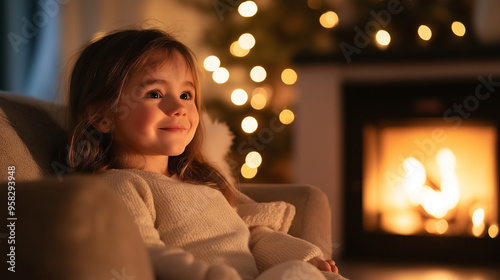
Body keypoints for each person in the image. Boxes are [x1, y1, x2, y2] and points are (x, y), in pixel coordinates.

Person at [65, 28, 346, 280]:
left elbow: (252, 236)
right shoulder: (121, 185)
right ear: (102, 117)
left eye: (187, 95)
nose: (179, 107)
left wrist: (304, 258)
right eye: (155, 93)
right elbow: (144, 252)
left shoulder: (200, 183)